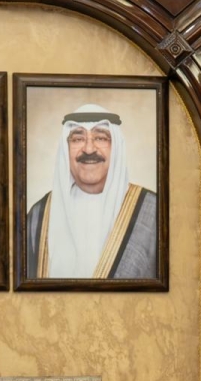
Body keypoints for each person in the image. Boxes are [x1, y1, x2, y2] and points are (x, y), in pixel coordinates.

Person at [25, 103, 158, 279]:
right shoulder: (39, 216)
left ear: (116, 147)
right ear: (66, 149)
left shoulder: (154, 212)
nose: (89, 149)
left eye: (101, 138)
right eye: (77, 139)